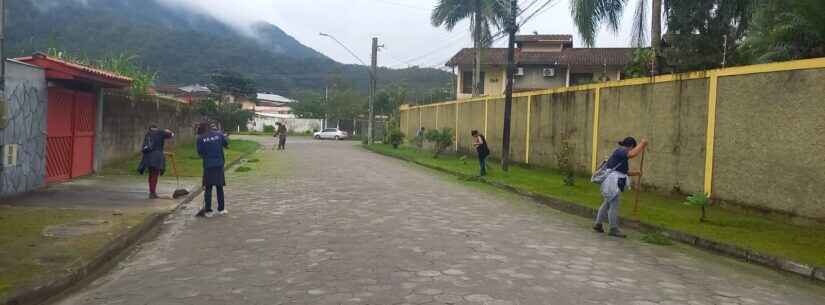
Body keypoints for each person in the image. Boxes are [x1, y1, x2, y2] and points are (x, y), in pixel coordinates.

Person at [593, 137, 648, 238]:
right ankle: (613, 229)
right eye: (633, 148)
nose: (632, 150)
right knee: (614, 205)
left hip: (612, 181)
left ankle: (598, 224)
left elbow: (622, 171)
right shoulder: (621, 151)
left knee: (607, 203)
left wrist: (636, 173)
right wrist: (642, 144)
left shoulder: (620, 154)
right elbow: (632, 154)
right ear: (631, 146)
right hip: (613, 182)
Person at [196, 122, 229, 218]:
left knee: (208, 188)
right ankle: (221, 209)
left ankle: (208, 210)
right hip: (219, 164)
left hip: (208, 165)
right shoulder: (219, 135)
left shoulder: (200, 138)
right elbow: (226, 144)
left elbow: (200, 153)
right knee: (219, 187)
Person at [138, 125, 174, 199]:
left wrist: (166, 153)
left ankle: (152, 191)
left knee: (151, 175)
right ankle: (152, 193)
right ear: (156, 128)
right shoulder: (160, 132)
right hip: (157, 159)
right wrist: (168, 131)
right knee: (154, 175)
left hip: (148, 158)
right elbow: (172, 135)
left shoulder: (148, 135)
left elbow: (151, 148)